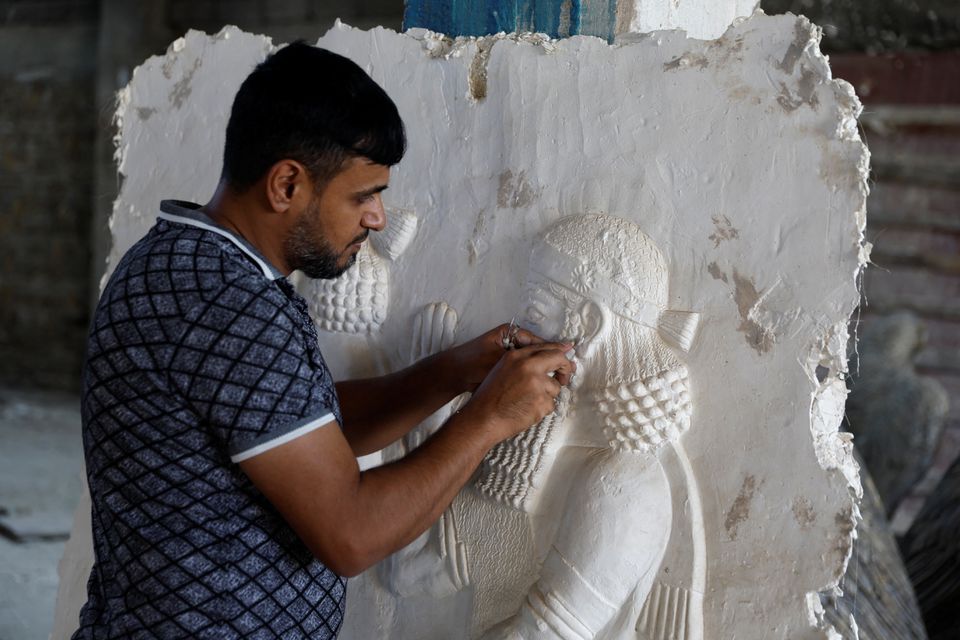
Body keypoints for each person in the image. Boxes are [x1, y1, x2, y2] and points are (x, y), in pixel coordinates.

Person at [73, 42, 574, 639]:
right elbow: (352, 535)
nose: (377, 219)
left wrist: (454, 374)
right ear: (287, 184)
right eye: (363, 196)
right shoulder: (228, 303)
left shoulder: (179, 260)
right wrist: (491, 419)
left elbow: (295, 425)